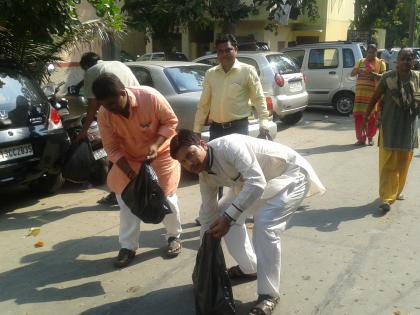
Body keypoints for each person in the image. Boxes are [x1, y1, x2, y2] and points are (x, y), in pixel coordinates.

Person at [170, 130, 325, 315]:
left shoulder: (229, 146)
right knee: (221, 213)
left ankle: (269, 295)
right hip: (257, 183)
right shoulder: (205, 176)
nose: (189, 163)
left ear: (203, 144)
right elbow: (208, 216)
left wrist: (228, 219)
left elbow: (256, 182)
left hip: (292, 174)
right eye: (183, 162)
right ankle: (250, 268)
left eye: (190, 155)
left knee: (265, 224)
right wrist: (203, 259)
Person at [93, 73, 182, 268]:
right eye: (106, 106)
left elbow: (171, 122)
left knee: (166, 199)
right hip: (129, 159)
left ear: (123, 93)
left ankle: (173, 236)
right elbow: (111, 148)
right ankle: (128, 247)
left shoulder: (150, 97)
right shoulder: (104, 114)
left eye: (114, 103)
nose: (112, 109)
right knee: (126, 201)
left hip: (161, 154)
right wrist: (129, 172)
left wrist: (156, 145)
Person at [76, 52, 141, 206]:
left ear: (85, 66)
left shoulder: (92, 72)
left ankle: (117, 194)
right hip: (138, 110)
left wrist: (83, 131)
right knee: (132, 153)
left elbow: (92, 106)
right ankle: (133, 190)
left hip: (120, 112)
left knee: (115, 154)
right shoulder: (118, 64)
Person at [362, 48, 419, 213]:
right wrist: (366, 117)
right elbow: (375, 97)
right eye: (403, 59)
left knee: (404, 161)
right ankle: (387, 197)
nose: (406, 62)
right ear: (397, 61)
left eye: (410, 59)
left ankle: (397, 190)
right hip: (389, 125)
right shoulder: (388, 78)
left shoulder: (417, 78)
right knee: (388, 162)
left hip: (408, 127)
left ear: (414, 61)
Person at [193, 33, 270, 140]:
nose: (224, 54)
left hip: (238, 129)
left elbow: (258, 99)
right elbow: (204, 104)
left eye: (228, 50)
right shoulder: (211, 74)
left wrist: (264, 124)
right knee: (217, 157)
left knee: (237, 157)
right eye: (220, 51)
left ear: (236, 50)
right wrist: (197, 130)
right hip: (216, 129)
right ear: (217, 53)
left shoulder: (247, 71)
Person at [351, 44, 386, 146]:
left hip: (373, 95)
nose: (370, 54)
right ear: (367, 52)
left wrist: (374, 75)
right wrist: (358, 70)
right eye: (369, 52)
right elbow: (352, 73)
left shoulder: (380, 62)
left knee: (372, 117)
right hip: (360, 95)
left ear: (376, 52)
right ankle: (361, 139)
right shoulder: (361, 61)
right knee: (359, 117)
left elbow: (384, 76)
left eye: (373, 52)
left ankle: (370, 137)